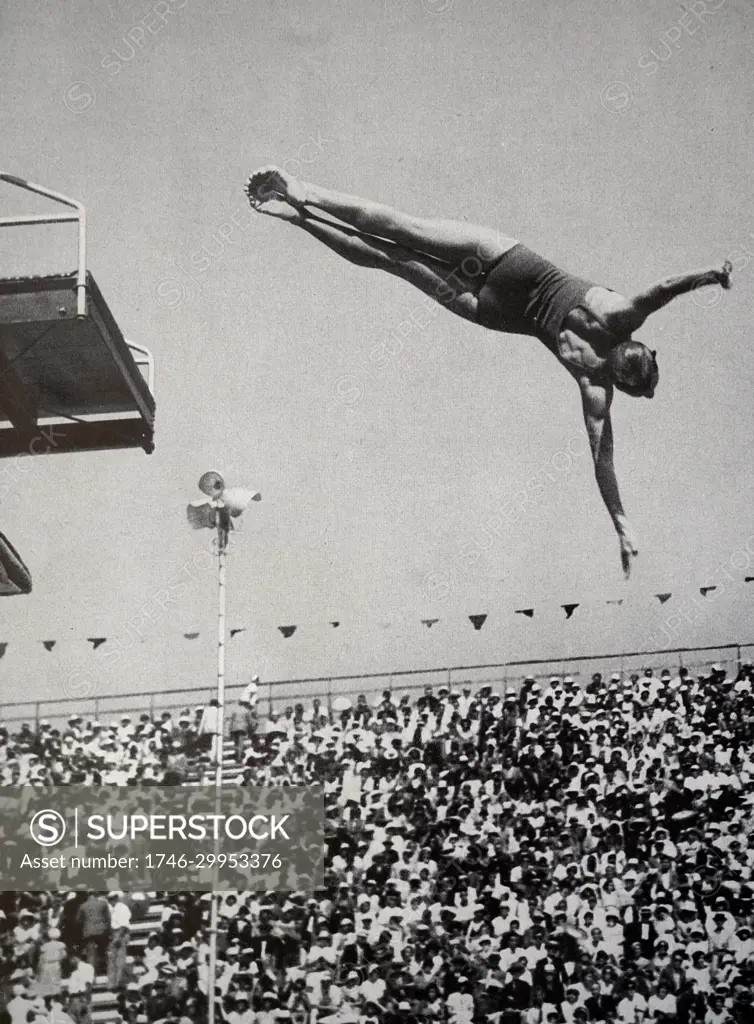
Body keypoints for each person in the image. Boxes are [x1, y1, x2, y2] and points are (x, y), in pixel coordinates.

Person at [246, 166, 733, 577]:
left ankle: (301, 208)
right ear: (635, 361)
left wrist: (621, 524)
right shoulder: (610, 349)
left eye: (635, 374)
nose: (632, 368)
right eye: (640, 370)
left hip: (498, 290)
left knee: (395, 247)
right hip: (506, 278)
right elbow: (666, 289)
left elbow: (604, 458)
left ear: (631, 370)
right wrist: (711, 275)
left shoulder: (606, 362)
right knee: (399, 241)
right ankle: (303, 201)